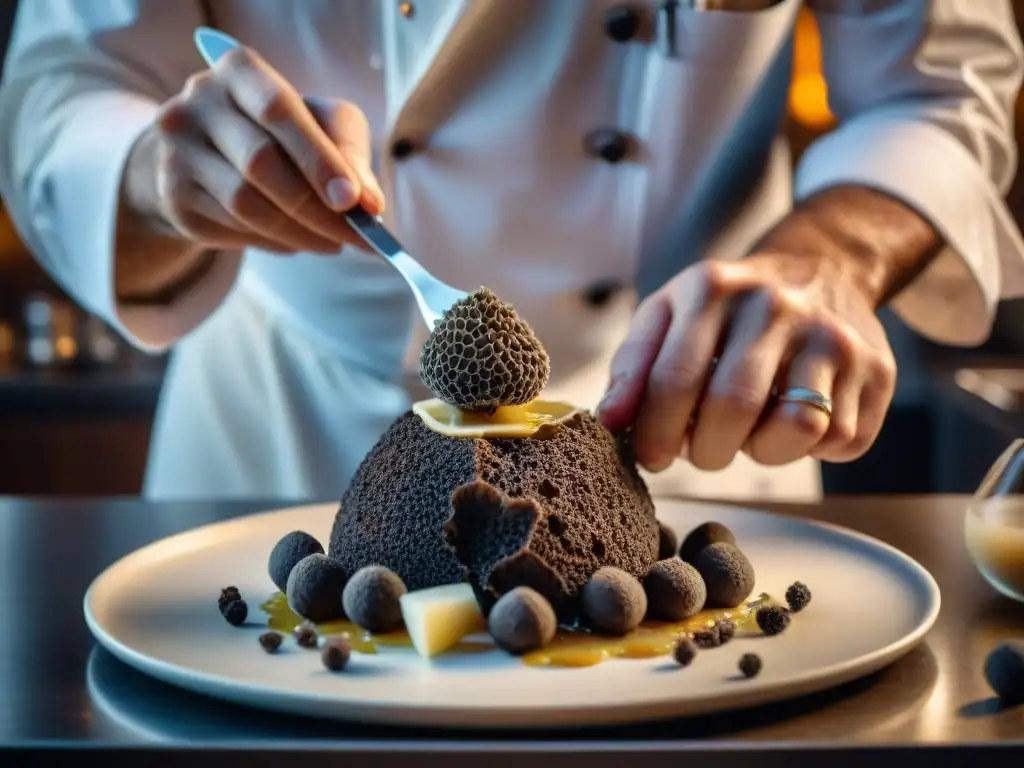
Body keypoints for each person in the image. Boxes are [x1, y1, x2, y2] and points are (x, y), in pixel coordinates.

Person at [0, 0, 1022, 503]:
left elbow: (939, 82)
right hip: (285, 437)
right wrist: (157, 180)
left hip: (687, 424)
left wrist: (833, 253)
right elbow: (65, 91)